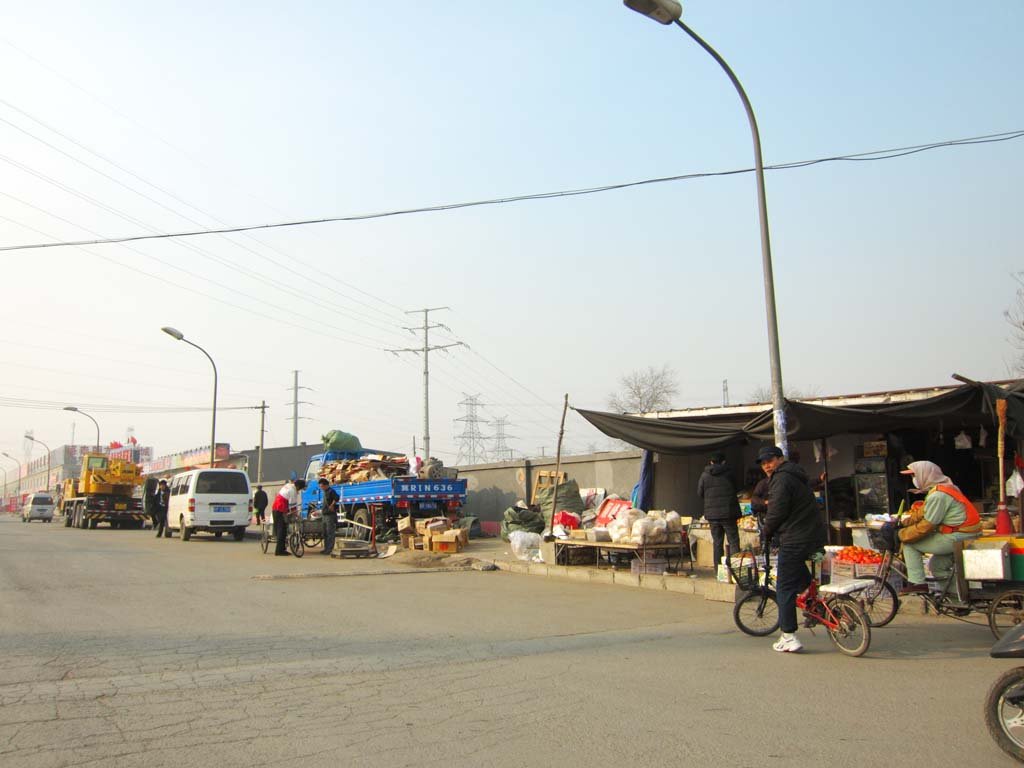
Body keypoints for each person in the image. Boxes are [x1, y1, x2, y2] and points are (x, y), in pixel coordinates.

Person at [758, 445, 827, 654]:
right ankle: (818, 607)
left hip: (795, 538)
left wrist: (766, 531)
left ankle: (788, 635)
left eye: (770, 461)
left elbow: (776, 511)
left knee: (784, 586)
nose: (767, 466)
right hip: (812, 535)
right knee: (798, 572)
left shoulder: (781, 479)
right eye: (763, 463)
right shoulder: (797, 475)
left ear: (780, 459)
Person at [897, 460, 982, 594]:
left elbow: (928, 525)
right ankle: (956, 597)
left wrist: (902, 534)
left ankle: (918, 583)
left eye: (914, 475)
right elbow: (922, 512)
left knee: (909, 544)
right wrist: (904, 523)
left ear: (925, 474)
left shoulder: (939, 495)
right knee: (937, 566)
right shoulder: (944, 488)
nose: (913, 479)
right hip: (965, 536)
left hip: (958, 537)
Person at [697, 452, 741, 570]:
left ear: (711, 462)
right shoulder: (730, 473)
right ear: (724, 462)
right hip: (728, 513)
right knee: (733, 541)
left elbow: (700, 493)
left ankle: (718, 571)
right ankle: (736, 569)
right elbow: (738, 488)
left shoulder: (704, 475)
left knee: (717, 542)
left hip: (712, 515)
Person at [271, 478, 306, 556]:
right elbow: (292, 506)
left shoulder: (288, 485)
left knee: (281, 530)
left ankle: (282, 549)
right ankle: (279, 551)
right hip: (280, 510)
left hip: (276, 508)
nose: (299, 490)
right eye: (300, 489)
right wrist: (296, 515)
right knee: (282, 531)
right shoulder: (292, 491)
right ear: (298, 487)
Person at [318, 478, 340, 556]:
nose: (321, 488)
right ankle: (326, 548)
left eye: (322, 486)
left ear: (326, 485)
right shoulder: (325, 492)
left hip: (330, 515)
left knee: (330, 532)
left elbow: (337, 498)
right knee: (325, 533)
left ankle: (329, 549)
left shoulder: (331, 491)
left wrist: (332, 505)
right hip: (324, 514)